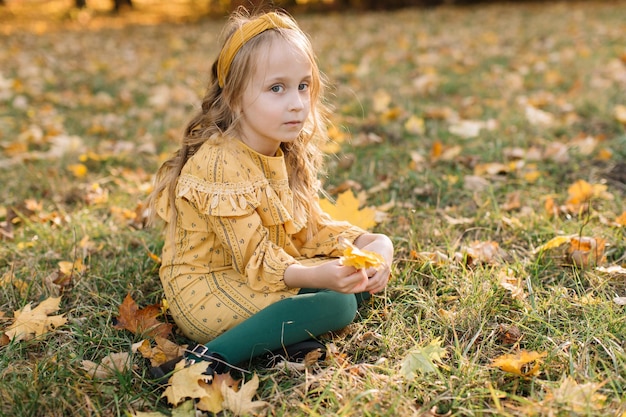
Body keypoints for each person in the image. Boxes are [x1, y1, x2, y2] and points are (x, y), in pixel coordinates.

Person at [147, 9, 394, 378]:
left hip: (259, 273)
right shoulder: (219, 165)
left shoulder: (280, 148)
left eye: (303, 86)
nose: (296, 102)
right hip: (209, 287)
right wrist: (322, 277)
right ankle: (202, 361)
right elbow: (258, 260)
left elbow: (308, 230)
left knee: (356, 284)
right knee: (341, 305)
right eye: (276, 88)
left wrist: (373, 243)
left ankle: (282, 339)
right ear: (233, 97)